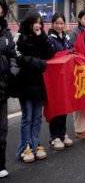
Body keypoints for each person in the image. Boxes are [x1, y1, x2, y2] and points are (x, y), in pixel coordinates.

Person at [15, 11, 55, 163]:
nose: (38, 25)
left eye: (40, 22)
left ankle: (36, 142)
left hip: (39, 84)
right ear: (29, 22)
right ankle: (26, 146)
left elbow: (51, 52)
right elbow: (19, 58)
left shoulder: (41, 38)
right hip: (25, 84)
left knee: (37, 117)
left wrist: (42, 37)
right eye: (35, 22)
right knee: (27, 117)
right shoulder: (21, 38)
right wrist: (37, 63)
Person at [47, 13, 74, 151]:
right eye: (57, 23)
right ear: (52, 24)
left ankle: (63, 133)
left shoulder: (66, 38)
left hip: (65, 79)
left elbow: (72, 51)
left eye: (61, 23)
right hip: (54, 79)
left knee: (64, 107)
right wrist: (66, 54)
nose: (59, 26)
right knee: (55, 107)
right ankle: (54, 137)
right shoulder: (49, 39)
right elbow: (51, 57)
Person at [69, 9, 85, 139]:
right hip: (79, 70)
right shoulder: (74, 33)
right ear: (79, 19)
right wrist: (84, 60)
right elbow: (71, 50)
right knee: (81, 98)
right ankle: (79, 128)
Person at [0, 0, 16, 178]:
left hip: (2, 89)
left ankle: (1, 164)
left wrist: (12, 74)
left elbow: (13, 56)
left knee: (2, 131)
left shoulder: (6, 33)